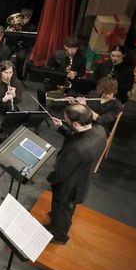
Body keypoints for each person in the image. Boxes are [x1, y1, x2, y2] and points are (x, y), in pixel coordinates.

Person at [47, 104, 106, 244]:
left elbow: (61, 173)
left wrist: (51, 179)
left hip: (69, 185)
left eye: (66, 121)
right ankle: (58, 220)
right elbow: (78, 136)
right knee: (66, 207)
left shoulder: (77, 149)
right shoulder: (99, 130)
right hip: (82, 177)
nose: (65, 122)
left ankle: (59, 235)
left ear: (75, 123)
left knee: (61, 206)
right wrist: (62, 127)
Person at [39, 35, 86, 103]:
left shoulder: (81, 57)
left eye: (75, 48)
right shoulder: (57, 55)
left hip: (71, 82)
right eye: (70, 48)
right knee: (40, 90)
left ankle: (65, 111)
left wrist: (75, 73)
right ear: (65, 46)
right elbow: (48, 68)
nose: (72, 50)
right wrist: (60, 73)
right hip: (57, 79)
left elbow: (82, 72)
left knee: (71, 96)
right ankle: (42, 110)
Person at [5, 8, 36, 79]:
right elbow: (7, 36)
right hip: (13, 45)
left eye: (26, 18)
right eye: (23, 17)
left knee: (21, 57)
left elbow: (31, 41)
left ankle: (19, 75)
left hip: (23, 47)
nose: (24, 20)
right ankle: (4, 71)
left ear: (30, 18)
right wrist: (8, 32)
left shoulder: (32, 27)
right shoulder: (15, 23)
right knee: (5, 52)